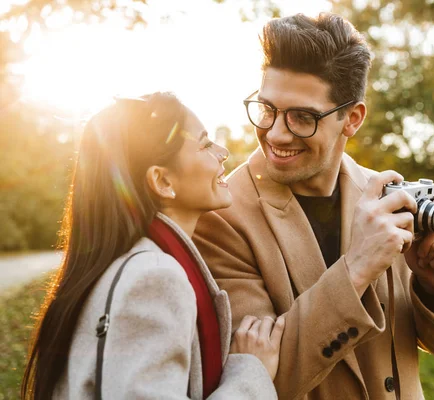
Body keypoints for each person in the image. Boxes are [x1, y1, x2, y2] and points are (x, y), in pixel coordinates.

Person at [193, 12, 434, 400]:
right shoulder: (222, 216)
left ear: (352, 118)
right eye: (267, 108)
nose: (276, 133)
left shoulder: (387, 195)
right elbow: (259, 382)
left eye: (302, 117)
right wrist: (358, 266)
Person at [21, 93, 284, 400]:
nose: (222, 152)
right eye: (204, 144)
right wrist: (254, 375)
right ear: (162, 181)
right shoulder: (153, 277)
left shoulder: (126, 265)